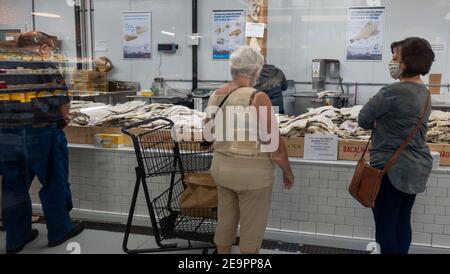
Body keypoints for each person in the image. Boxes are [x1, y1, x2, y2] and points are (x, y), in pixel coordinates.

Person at [0, 31, 84, 254]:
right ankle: (59, 231)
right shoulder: (43, 66)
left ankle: (16, 238)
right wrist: (64, 117)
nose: (50, 52)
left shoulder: (3, 66)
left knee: (13, 187)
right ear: (41, 47)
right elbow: (63, 104)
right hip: (42, 133)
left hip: (7, 135)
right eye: (50, 48)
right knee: (53, 181)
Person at [205, 46, 294, 254]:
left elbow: (208, 135)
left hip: (221, 171)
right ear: (255, 71)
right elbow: (275, 146)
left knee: (225, 222)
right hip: (252, 177)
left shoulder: (216, 95)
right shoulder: (257, 97)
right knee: (251, 231)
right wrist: (287, 171)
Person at [358, 37, 435, 254]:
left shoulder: (392, 91)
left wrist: (378, 119)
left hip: (391, 170)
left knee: (385, 223)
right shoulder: (426, 93)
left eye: (395, 57)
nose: (391, 61)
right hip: (417, 167)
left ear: (407, 62)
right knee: (402, 220)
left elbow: (364, 119)